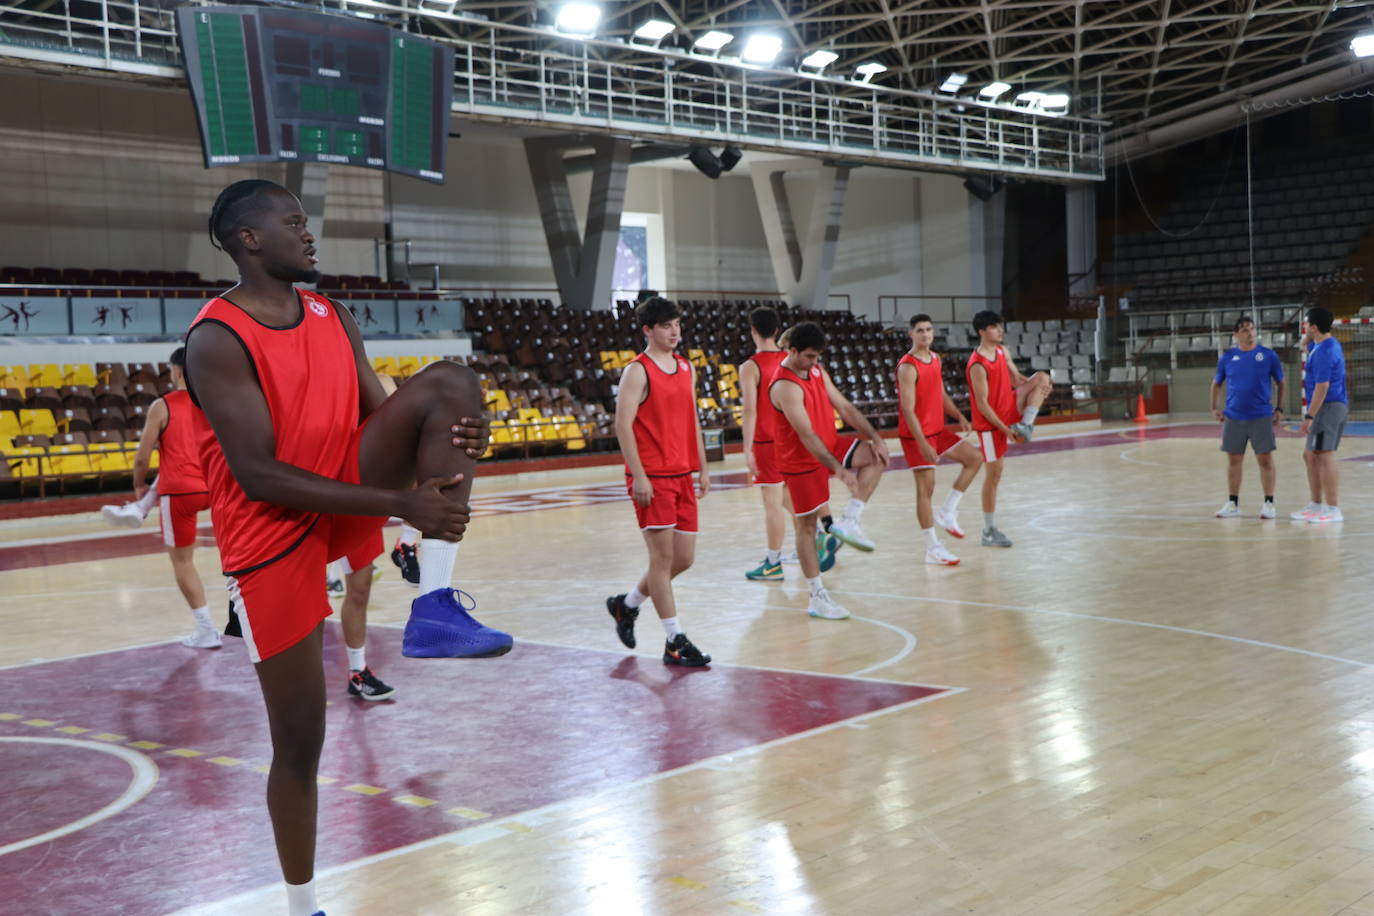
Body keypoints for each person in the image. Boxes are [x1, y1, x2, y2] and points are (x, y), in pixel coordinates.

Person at [185, 179, 504, 916]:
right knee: (301, 741)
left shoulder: (333, 313)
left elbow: (380, 411)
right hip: (271, 529)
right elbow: (258, 475)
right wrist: (399, 504)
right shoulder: (216, 336)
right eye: (292, 222)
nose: (309, 232)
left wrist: (454, 437)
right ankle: (303, 908)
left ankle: (435, 605)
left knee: (452, 384)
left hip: (343, 481)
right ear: (249, 239)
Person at [605, 297, 712, 667]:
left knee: (683, 559)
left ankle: (627, 604)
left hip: (683, 473)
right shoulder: (637, 370)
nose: (675, 332)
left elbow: (691, 417)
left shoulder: (686, 367)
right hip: (653, 477)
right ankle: (674, 641)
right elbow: (622, 424)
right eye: (666, 326)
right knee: (662, 561)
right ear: (648, 330)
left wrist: (703, 465)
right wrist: (638, 475)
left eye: (677, 324)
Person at [769, 321, 889, 620]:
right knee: (806, 527)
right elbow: (806, 435)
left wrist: (876, 437)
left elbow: (845, 408)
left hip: (829, 443)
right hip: (801, 459)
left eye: (818, 357)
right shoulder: (784, 385)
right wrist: (839, 470)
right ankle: (817, 596)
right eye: (809, 356)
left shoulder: (816, 371)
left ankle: (849, 521)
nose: (815, 362)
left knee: (877, 458)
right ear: (792, 351)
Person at [118, 347, 221, 648]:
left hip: (180, 493)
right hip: (214, 487)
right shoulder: (213, 401)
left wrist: (139, 485)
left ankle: (206, 630)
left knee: (183, 562)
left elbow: (142, 456)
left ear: (175, 371)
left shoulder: (162, 405)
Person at [896, 315, 983, 566]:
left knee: (974, 459)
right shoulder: (907, 366)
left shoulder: (934, 359)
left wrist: (957, 414)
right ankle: (932, 547)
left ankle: (947, 511)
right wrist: (922, 442)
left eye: (929, 330)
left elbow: (940, 391)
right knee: (926, 489)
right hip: (917, 435)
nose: (925, 334)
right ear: (910, 334)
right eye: (920, 330)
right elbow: (909, 409)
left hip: (937, 429)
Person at [966, 310, 1052, 548]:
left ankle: (1026, 424)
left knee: (1043, 377)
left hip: (1009, 407)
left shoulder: (1003, 351)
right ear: (982, 332)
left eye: (1000, 326)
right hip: (990, 424)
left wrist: (1038, 389)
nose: (1000, 330)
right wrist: (1005, 430)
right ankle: (988, 530)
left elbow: (1016, 380)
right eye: (994, 327)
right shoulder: (977, 364)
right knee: (994, 476)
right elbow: (982, 405)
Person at [1210, 316, 1285, 519]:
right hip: (1233, 417)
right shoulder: (1227, 358)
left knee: (1265, 459)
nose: (1250, 332)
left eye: (1252, 329)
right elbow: (1216, 383)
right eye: (1244, 329)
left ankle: (1269, 503)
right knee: (1234, 460)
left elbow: (1281, 382)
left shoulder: (1268, 355)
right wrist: (1214, 408)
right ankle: (1233, 504)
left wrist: (1279, 408)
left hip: (1261, 416)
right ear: (1235, 335)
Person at [740, 306, 789, 581]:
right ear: (777, 331)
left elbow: (750, 410)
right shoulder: (789, 360)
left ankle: (773, 563)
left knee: (772, 504)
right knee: (788, 497)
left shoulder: (750, 366)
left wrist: (746, 449)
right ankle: (821, 533)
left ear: (753, 331)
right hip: (792, 439)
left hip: (767, 441)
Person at [1292, 306, 1348, 524]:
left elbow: (1322, 387)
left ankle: (1333, 509)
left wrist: (1309, 416)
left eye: (1307, 324)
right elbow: (1307, 343)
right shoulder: (1321, 343)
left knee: (1324, 454)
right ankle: (1316, 504)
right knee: (1310, 455)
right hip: (1325, 407)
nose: (1305, 328)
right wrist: (1308, 339)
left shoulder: (1325, 351)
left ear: (1314, 327)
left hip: (1329, 406)